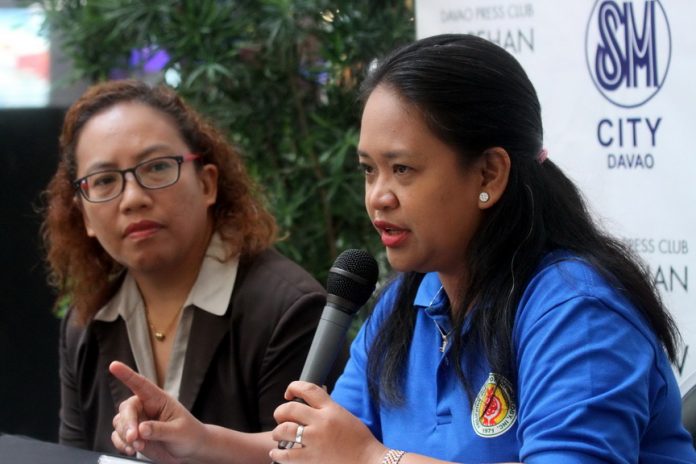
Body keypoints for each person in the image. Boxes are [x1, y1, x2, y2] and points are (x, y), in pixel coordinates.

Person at [108, 34, 696, 463]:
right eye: (368, 171)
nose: (377, 198)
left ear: (489, 172)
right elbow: (317, 448)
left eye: (403, 169)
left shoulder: (576, 309)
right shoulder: (405, 303)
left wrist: (371, 462)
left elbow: (353, 454)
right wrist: (196, 440)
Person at [41, 79, 346, 453]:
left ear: (207, 184)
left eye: (156, 168)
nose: (133, 199)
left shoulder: (288, 310)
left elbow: (310, 458)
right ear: (83, 215)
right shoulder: (85, 324)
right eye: (104, 180)